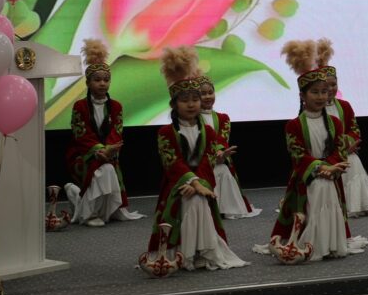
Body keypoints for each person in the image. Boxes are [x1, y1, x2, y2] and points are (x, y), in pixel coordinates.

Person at [256, 40, 368, 261]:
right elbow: (298, 155)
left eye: (324, 92)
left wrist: (332, 167)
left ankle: (330, 242)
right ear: (303, 96)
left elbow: (339, 149)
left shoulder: (335, 122)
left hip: (331, 174)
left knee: (327, 190)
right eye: (315, 92)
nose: (320, 97)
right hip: (307, 178)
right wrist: (321, 168)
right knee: (318, 188)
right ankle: (311, 242)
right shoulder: (294, 125)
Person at [149, 46, 247, 270]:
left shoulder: (209, 132)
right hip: (177, 185)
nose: (192, 104)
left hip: (202, 181)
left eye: (195, 99)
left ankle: (202, 250)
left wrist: (199, 184)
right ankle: (185, 253)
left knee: (199, 200)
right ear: (174, 104)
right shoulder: (166, 132)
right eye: (185, 100)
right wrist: (192, 183)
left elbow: (207, 161)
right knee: (193, 199)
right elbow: (172, 163)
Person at [64, 39, 143, 227]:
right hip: (84, 154)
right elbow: (81, 134)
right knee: (104, 169)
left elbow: (116, 131)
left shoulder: (116, 106)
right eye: (97, 80)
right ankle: (90, 213)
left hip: (108, 153)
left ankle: (99, 207)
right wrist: (99, 150)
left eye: (106, 80)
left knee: (107, 167)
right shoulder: (80, 106)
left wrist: (109, 150)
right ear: (88, 82)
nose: (102, 83)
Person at [316, 39, 368, 218]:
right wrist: (339, 148)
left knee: (353, 160)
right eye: (325, 86)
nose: (330, 89)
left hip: (345, 152)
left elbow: (354, 130)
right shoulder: (314, 109)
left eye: (333, 84)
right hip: (324, 154)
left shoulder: (345, 106)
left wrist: (348, 144)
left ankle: (360, 203)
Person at [198, 75, 260, 218]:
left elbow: (222, 138)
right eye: (203, 93)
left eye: (210, 92)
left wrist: (220, 153)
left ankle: (226, 207)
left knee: (223, 169)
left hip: (220, 158)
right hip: (201, 160)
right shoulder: (192, 119)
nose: (207, 96)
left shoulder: (222, 118)